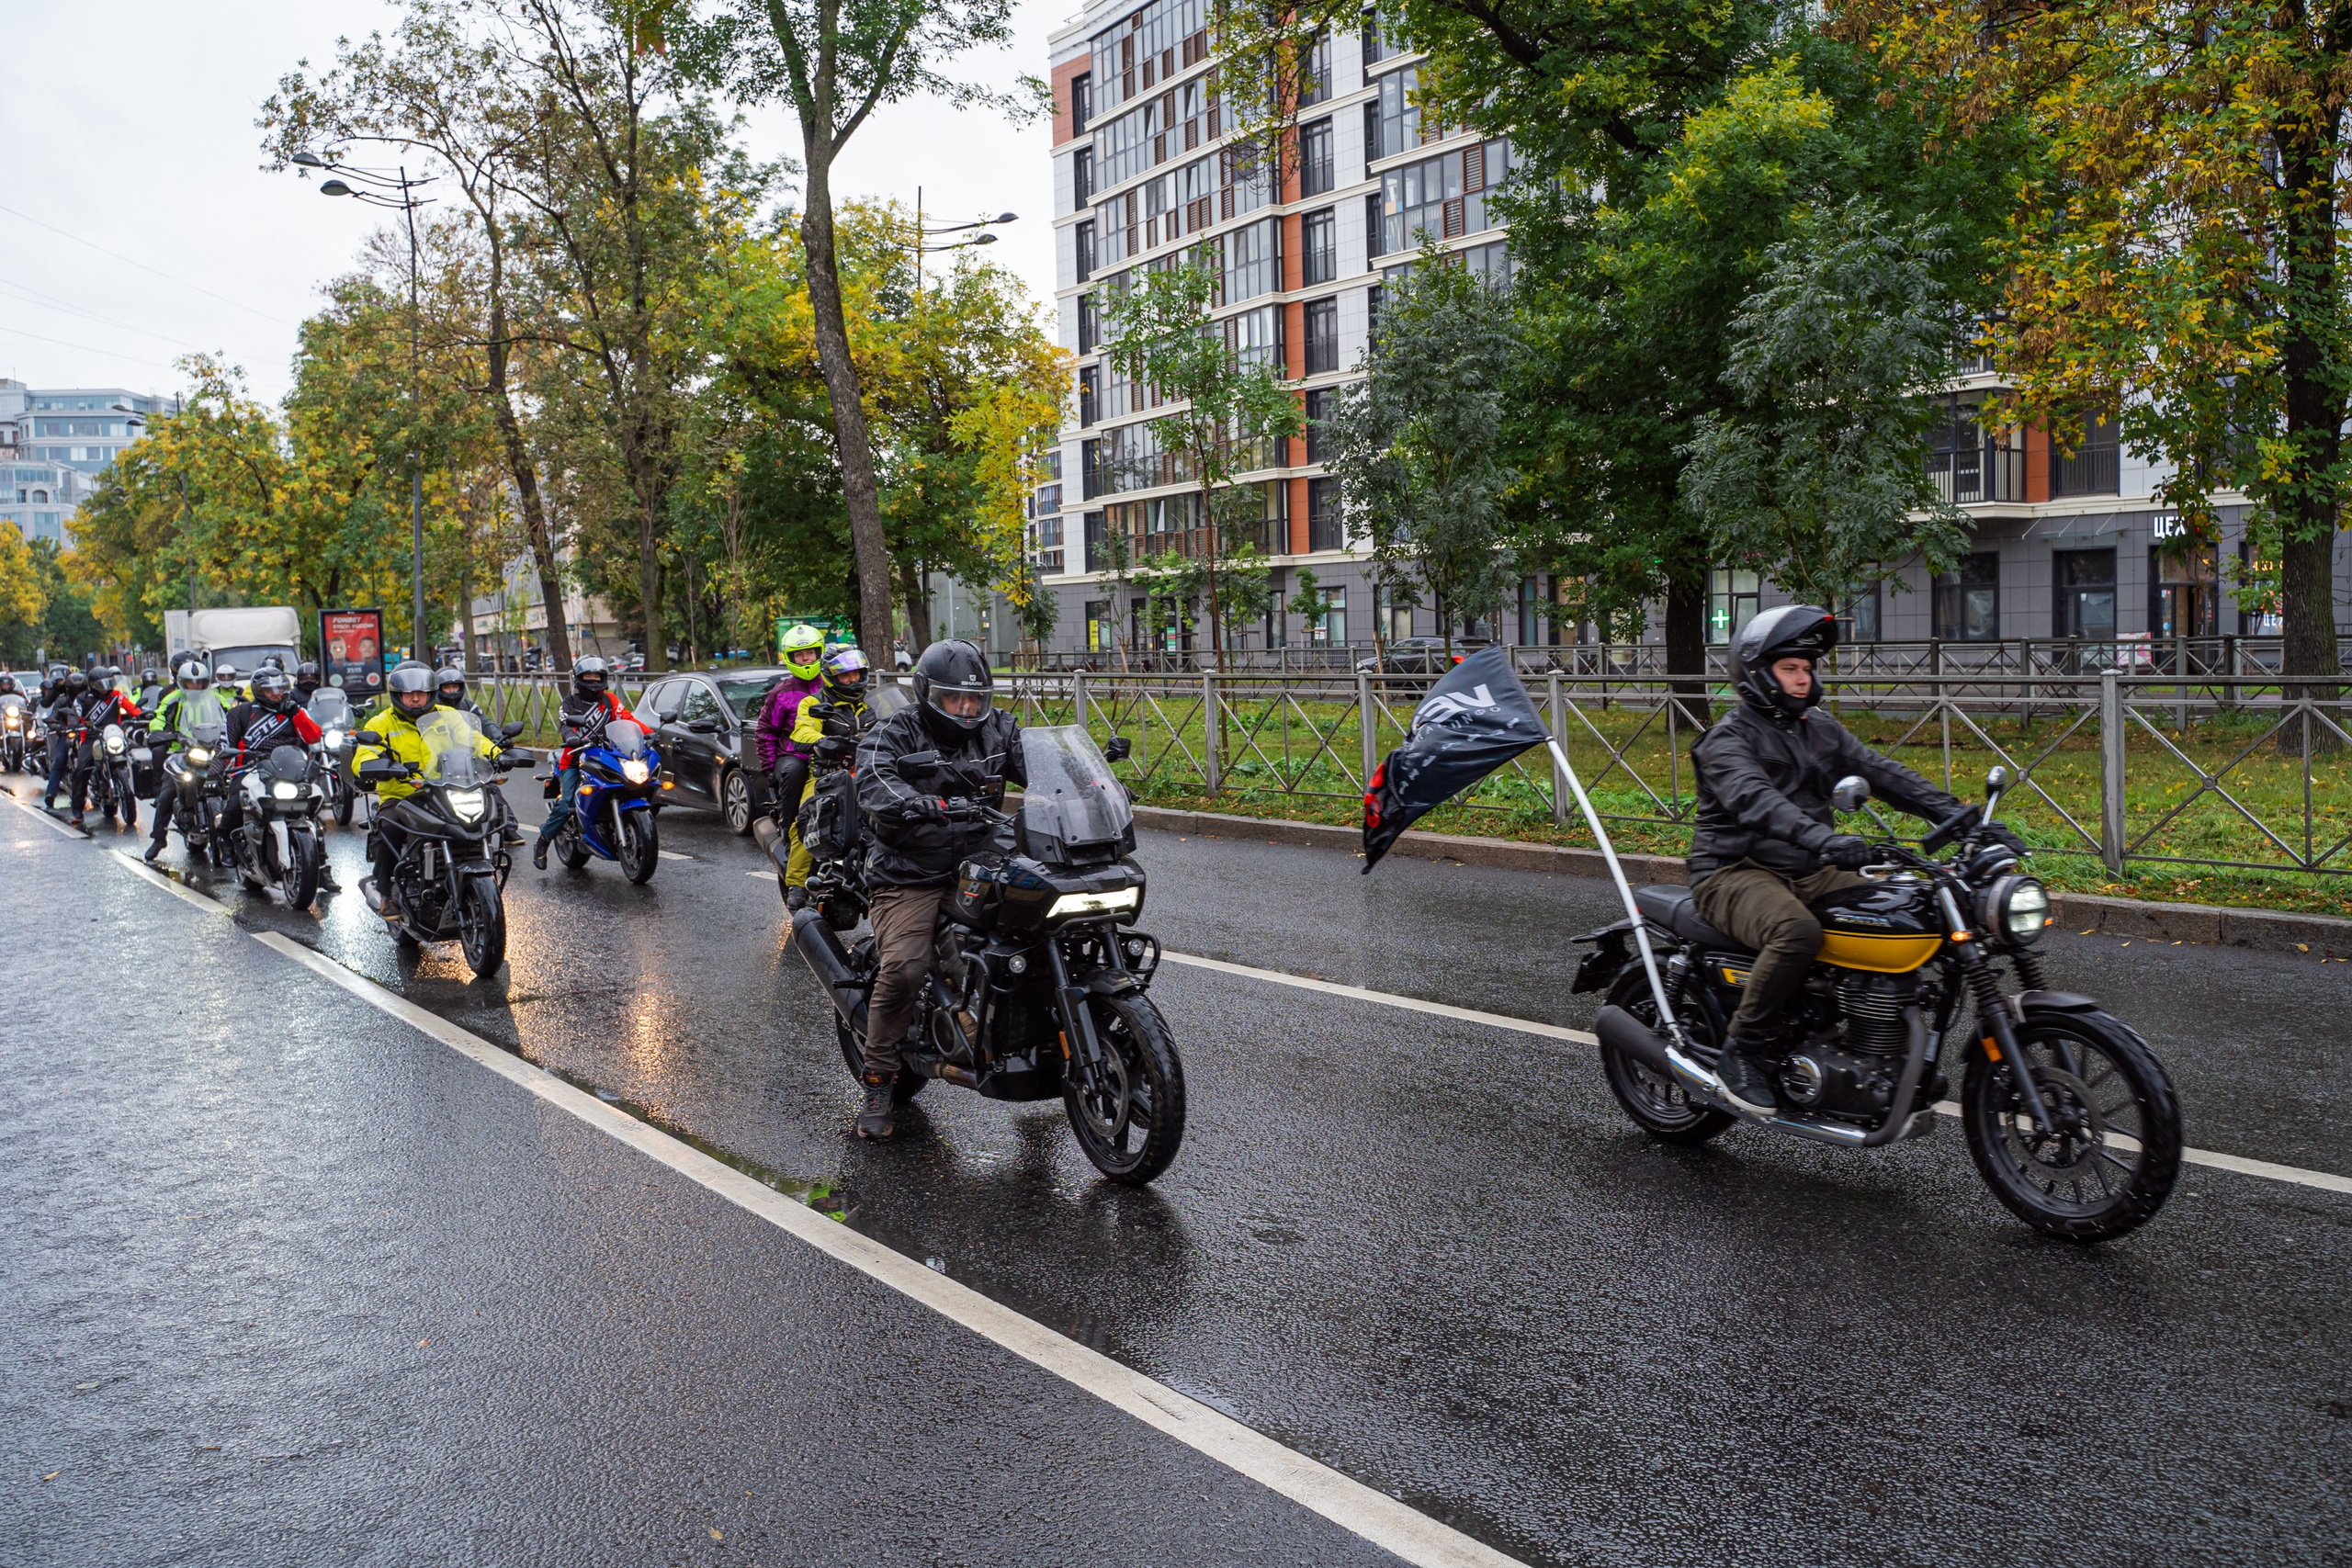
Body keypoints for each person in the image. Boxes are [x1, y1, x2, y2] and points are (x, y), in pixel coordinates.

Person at [1686, 605, 2015, 1116]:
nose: (1803, 678)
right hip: (1734, 870)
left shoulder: (1819, 729)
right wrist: (1822, 838)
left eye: (1808, 668)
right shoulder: (1726, 740)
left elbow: (1885, 774)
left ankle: (1873, 1041)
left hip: (1811, 869)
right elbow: (1755, 799)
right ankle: (1743, 1051)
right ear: (1757, 672)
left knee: (1906, 909)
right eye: (1790, 668)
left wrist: (1965, 818)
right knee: (1796, 933)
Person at [852, 639, 1026, 1141]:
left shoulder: (1000, 729)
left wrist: (1094, 783)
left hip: (980, 862)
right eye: (956, 699)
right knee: (905, 967)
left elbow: (1037, 763)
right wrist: (911, 801)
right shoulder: (895, 730)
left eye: (975, 699)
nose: (968, 709)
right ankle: (879, 1081)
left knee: (1030, 932)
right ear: (929, 694)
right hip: (909, 872)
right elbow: (874, 779)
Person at [352, 666, 503, 915]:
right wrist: (377, 765)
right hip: (402, 794)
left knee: (487, 816)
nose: (415, 699)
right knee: (389, 825)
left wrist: (498, 754)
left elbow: (474, 740)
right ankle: (383, 890)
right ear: (397, 695)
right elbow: (364, 754)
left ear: (431, 693)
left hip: (445, 789)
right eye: (408, 694)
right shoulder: (381, 722)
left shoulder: (449, 716)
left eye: (421, 693)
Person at [784, 646, 872, 902]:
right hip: (827, 775)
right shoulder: (814, 703)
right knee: (810, 819)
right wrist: (822, 742)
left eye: (856, 673)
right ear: (831, 677)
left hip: (868, 772)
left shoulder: (872, 704)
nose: (853, 680)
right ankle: (797, 885)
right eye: (846, 676)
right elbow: (802, 731)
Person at [532, 656, 630, 869]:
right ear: (579, 678)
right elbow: (566, 723)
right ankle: (543, 841)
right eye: (588, 676)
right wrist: (571, 736)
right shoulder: (571, 702)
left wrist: (649, 733)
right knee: (568, 802)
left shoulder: (610, 700)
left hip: (606, 755)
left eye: (597, 676)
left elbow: (628, 719)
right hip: (575, 758)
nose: (593, 680)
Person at [212, 668, 324, 852]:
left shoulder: (296, 710)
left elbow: (313, 737)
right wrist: (213, 774)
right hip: (250, 770)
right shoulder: (240, 713)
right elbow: (224, 745)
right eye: (270, 690)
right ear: (258, 691)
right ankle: (225, 838)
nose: (276, 694)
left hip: (289, 769)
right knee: (234, 806)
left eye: (280, 689)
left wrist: (296, 713)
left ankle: (321, 863)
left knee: (313, 811)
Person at [145, 660, 230, 863]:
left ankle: (232, 839)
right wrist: (158, 732)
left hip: (213, 749)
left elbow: (231, 715)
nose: (195, 686)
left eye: (199, 682)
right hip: (181, 751)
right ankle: (158, 839)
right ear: (182, 682)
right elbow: (159, 718)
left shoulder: (216, 699)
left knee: (233, 784)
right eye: (190, 683)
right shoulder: (173, 699)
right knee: (166, 794)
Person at [754, 626, 826, 822]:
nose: (806, 659)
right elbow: (765, 732)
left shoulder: (832, 685)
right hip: (795, 754)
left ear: (819, 652)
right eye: (800, 655)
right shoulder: (780, 692)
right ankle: (788, 825)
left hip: (831, 751)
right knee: (794, 772)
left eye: (810, 652)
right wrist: (769, 770)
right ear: (790, 658)